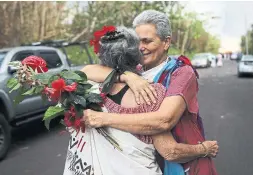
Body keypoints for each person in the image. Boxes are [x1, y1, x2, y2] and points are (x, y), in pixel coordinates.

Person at [63, 26, 218, 175]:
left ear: (100, 55)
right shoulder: (148, 95)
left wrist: (121, 77)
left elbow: (84, 71)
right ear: (136, 56)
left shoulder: (83, 86)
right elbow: (170, 152)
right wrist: (204, 149)